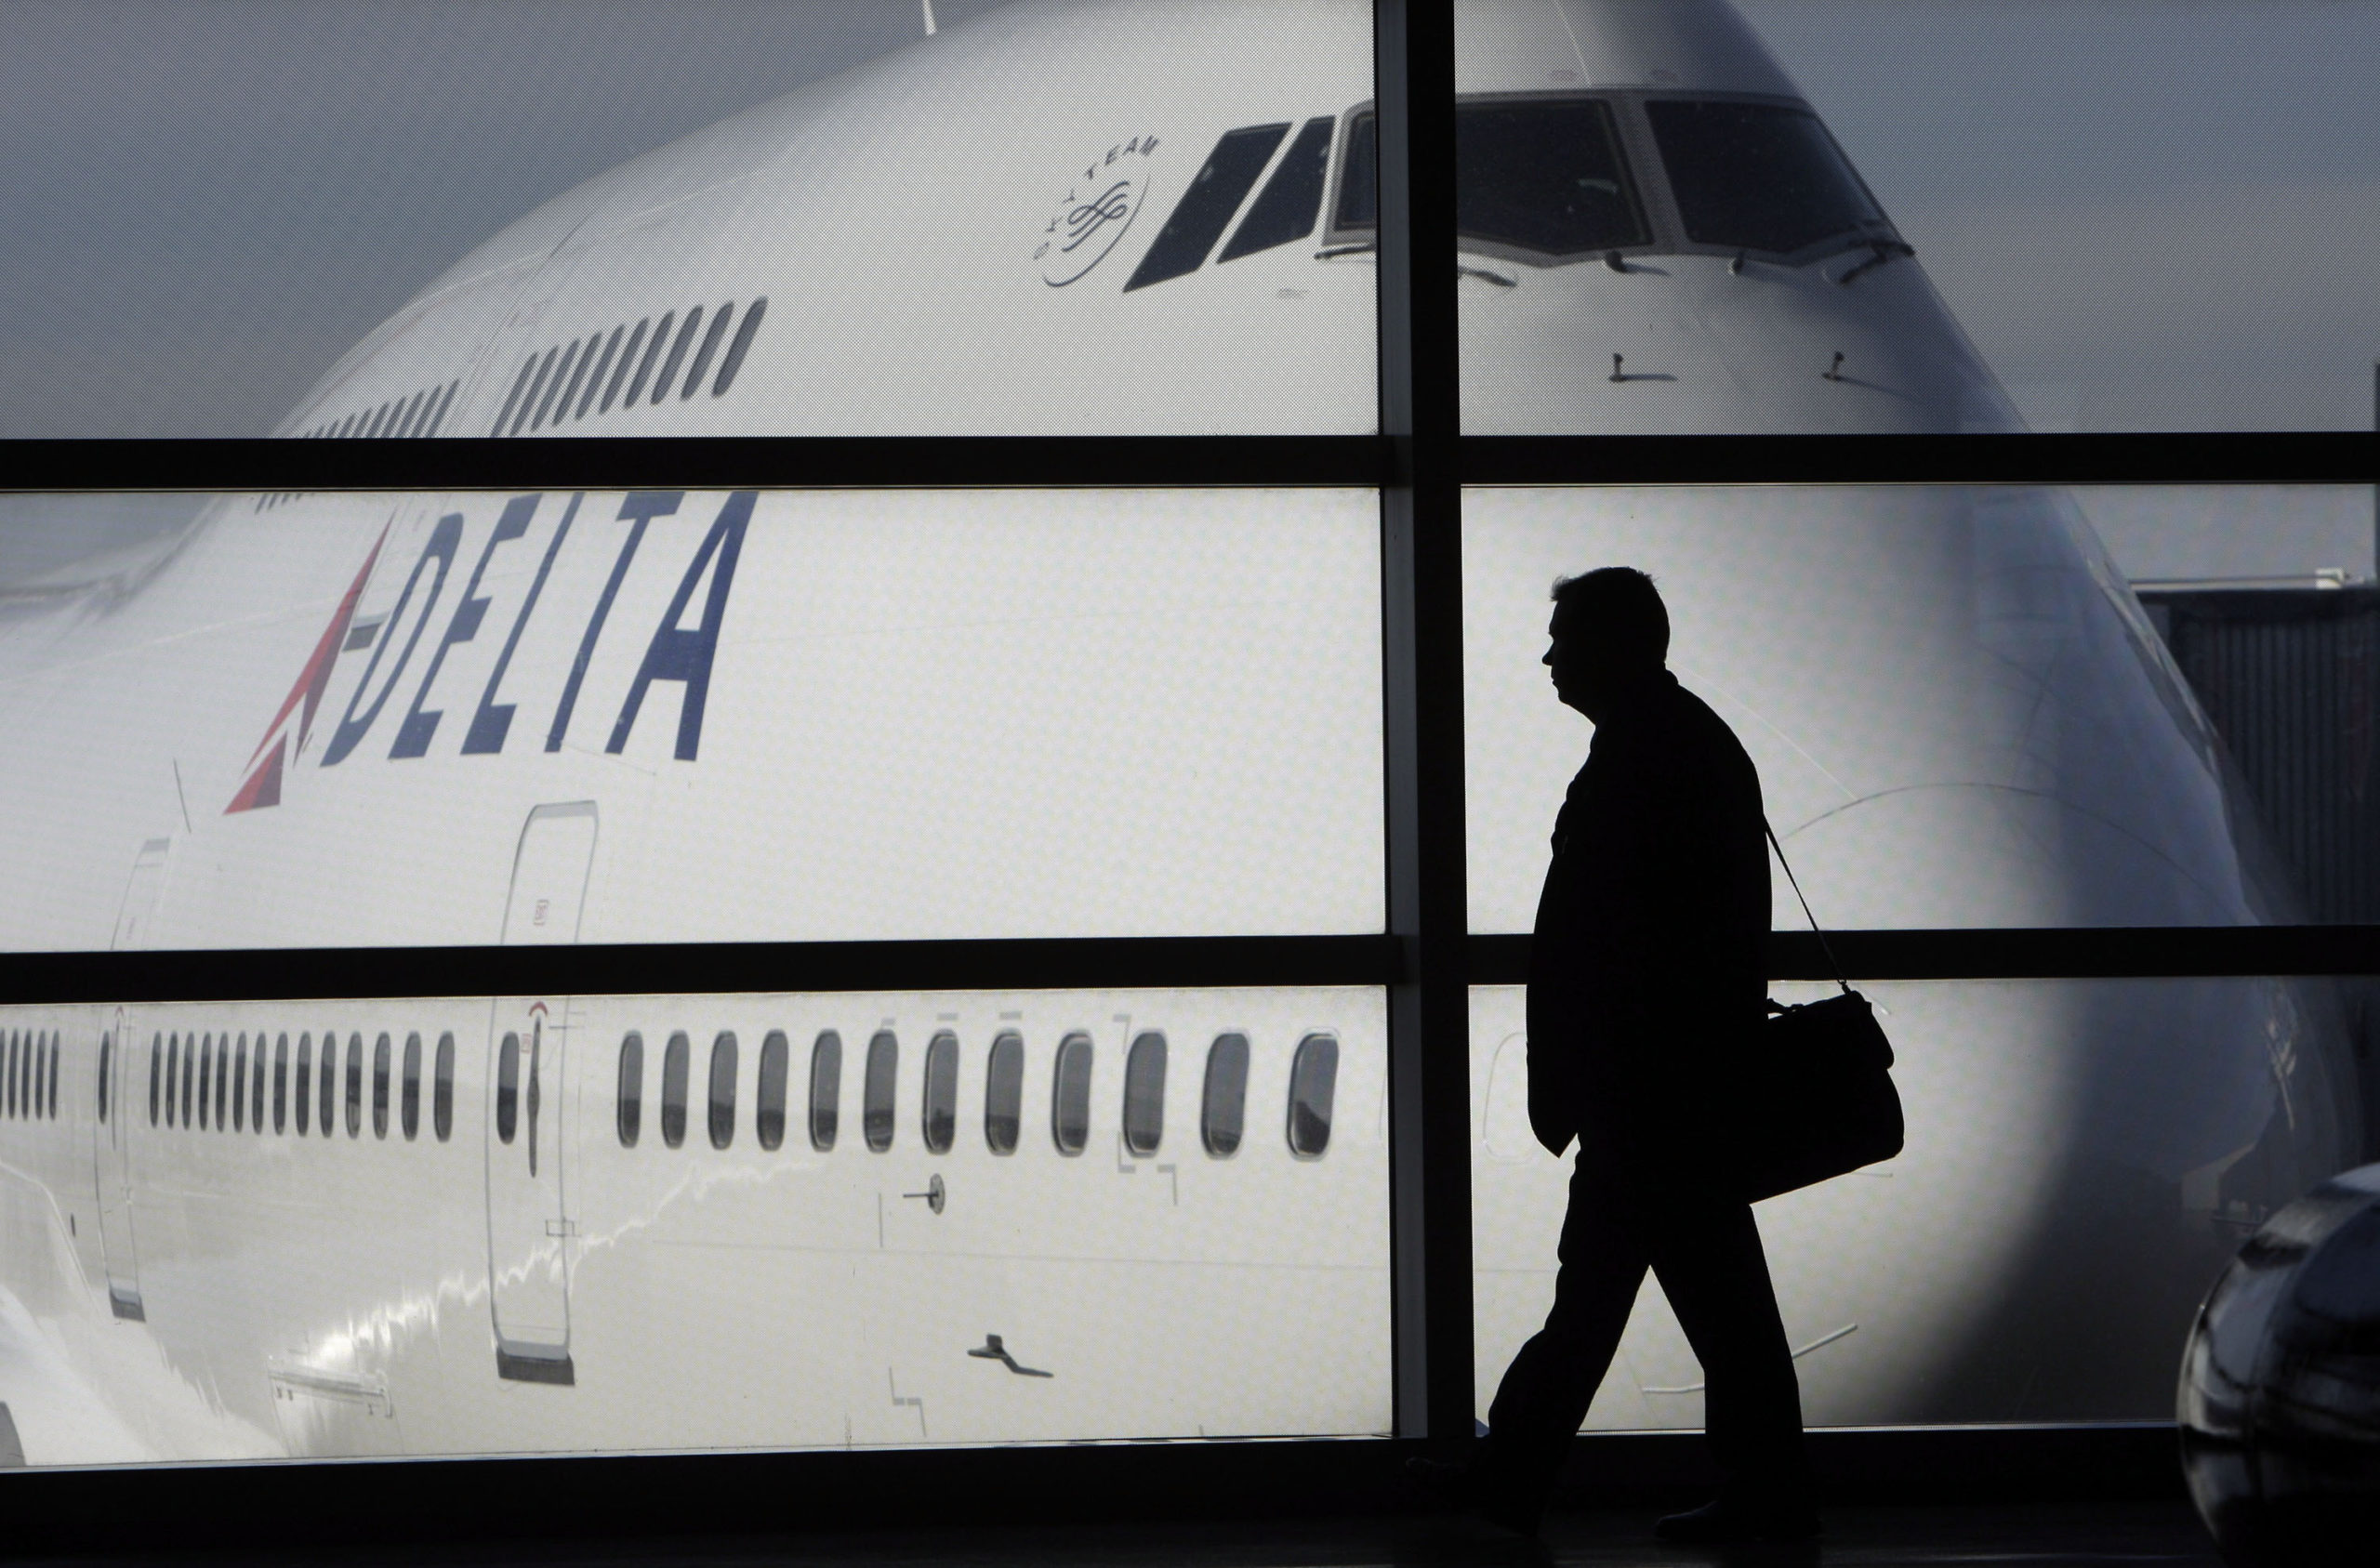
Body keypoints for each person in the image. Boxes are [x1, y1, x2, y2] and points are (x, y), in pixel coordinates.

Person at [1440, 567, 1817, 1543]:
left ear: (1617, 646)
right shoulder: (1685, 744)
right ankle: (1759, 1488)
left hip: (1649, 1092)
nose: (1549, 656)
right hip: (1673, 1087)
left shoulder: (1644, 758)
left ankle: (1506, 1480)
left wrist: (1589, 1074)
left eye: (1565, 638)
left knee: (1605, 1298)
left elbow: (1609, 938)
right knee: (1701, 1301)